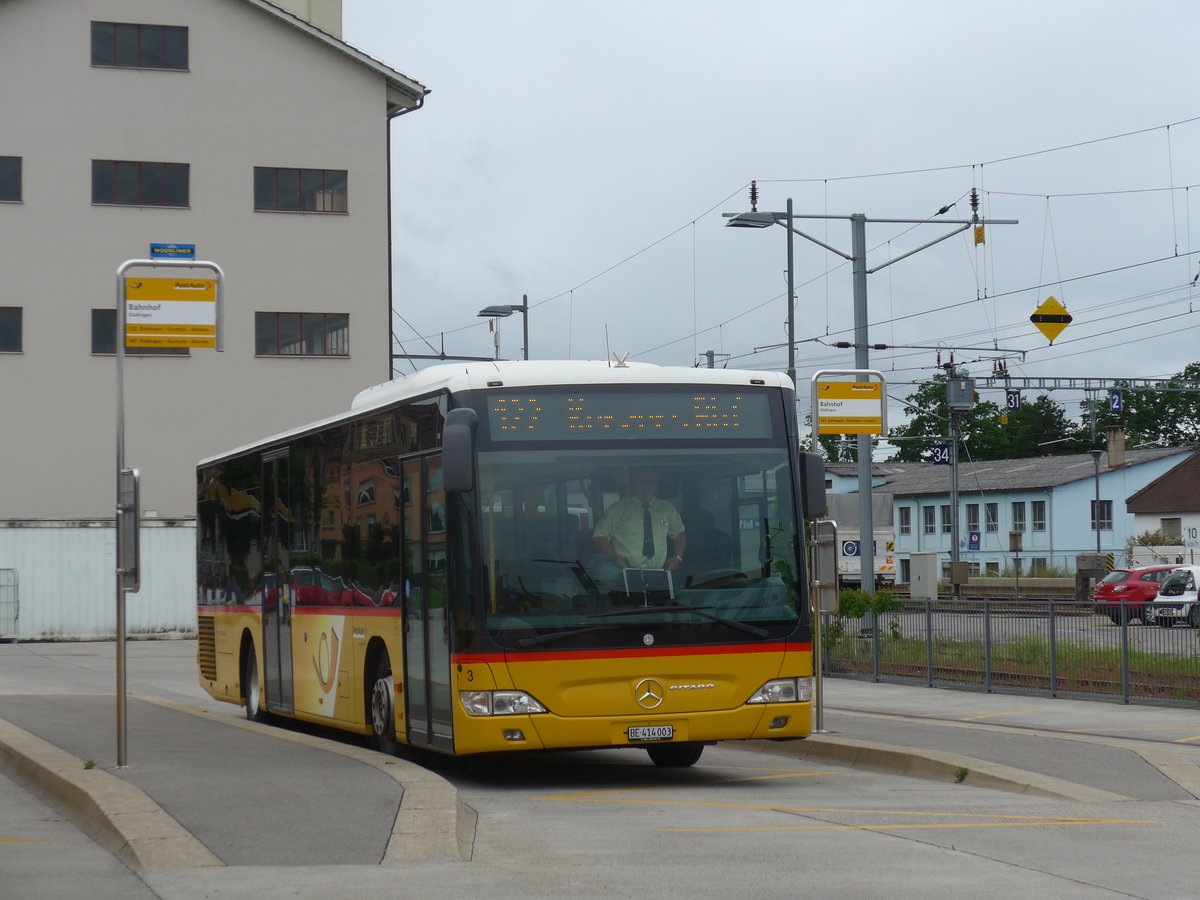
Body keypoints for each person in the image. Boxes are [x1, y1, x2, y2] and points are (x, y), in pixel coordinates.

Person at [592, 469, 686, 575]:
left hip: (660, 573)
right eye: (642, 482)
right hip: (624, 573)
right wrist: (614, 558)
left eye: (651, 482)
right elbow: (599, 536)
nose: (646, 487)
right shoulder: (617, 509)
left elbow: (679, 533)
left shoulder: (667, 509)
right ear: (632, 485)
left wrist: (677, 558)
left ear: (656, 485)